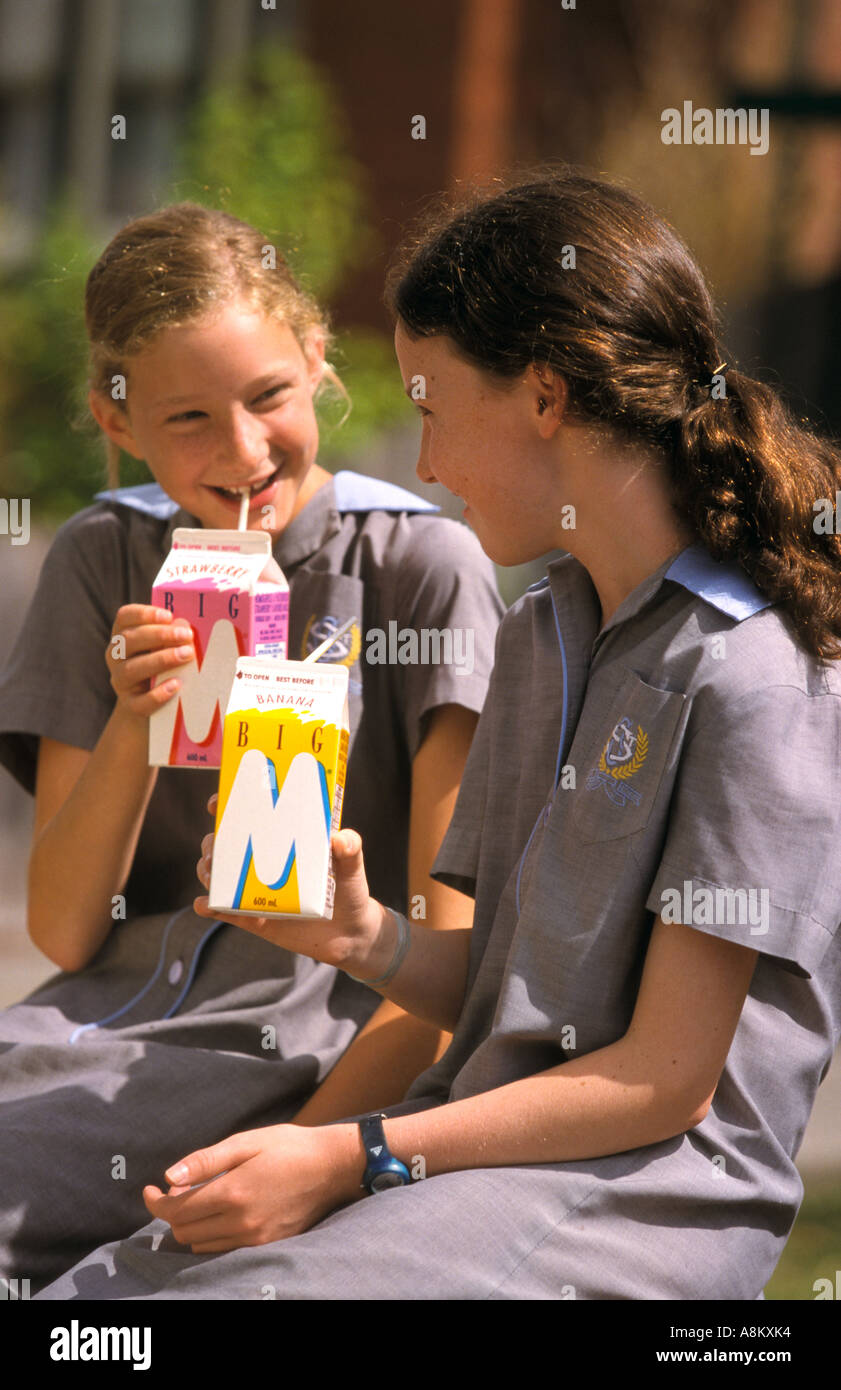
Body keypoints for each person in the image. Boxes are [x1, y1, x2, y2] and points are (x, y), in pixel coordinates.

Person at [35, 170, 841, 1302]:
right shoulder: (544, 635)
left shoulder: (751, 673)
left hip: (637, 1194)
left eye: (431, 405)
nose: (424, 462)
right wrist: (365, 937)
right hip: (461, 1140)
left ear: (545, 398)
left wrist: (344, 1152)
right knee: (98, 1305)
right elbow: (508, 989)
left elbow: (662, 1084)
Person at [0, 203, 505, 1294]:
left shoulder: (424, 568)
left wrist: (314, 1160)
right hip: (80, 1039)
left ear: (318, 363)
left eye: (270, 396)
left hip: (301, 1059)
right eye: (185, 417)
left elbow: (445, 970)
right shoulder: (104, 556)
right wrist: (136, 717)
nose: (241, 453)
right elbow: (66, 928)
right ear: (117, 419)